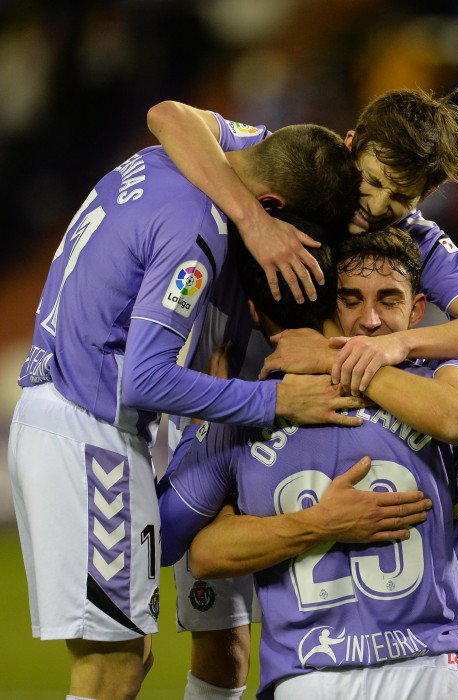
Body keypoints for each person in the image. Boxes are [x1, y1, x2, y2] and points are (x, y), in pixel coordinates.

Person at [7, 122, 377, 700]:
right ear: (272, 207)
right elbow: (145, 379)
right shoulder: (195, 231)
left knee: (128, 658)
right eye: (294, 232)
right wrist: (274, 400)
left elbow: (174, 114)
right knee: (111, 670)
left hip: (63, 413)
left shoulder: (168, 160)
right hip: (90, 433)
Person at [157, 227, 458, 699]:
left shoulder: (249, 414)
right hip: (427, 667)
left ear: (418, 309)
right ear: (330, 306)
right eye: (351, 300)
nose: (370, 321)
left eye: (388, 300)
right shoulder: (440, 402)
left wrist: (210, 411)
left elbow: (169, 541)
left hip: (381, 664)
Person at [147, 86, 458, 396]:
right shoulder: (296, 165)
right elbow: (168, 117)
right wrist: (255, 221)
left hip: (306, 424)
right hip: (214, 395)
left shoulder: (417, 239)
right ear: (350, 144)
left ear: (423, 198)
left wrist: (398, 344)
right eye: (373, 180)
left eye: (400, 197)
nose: (376, 206)